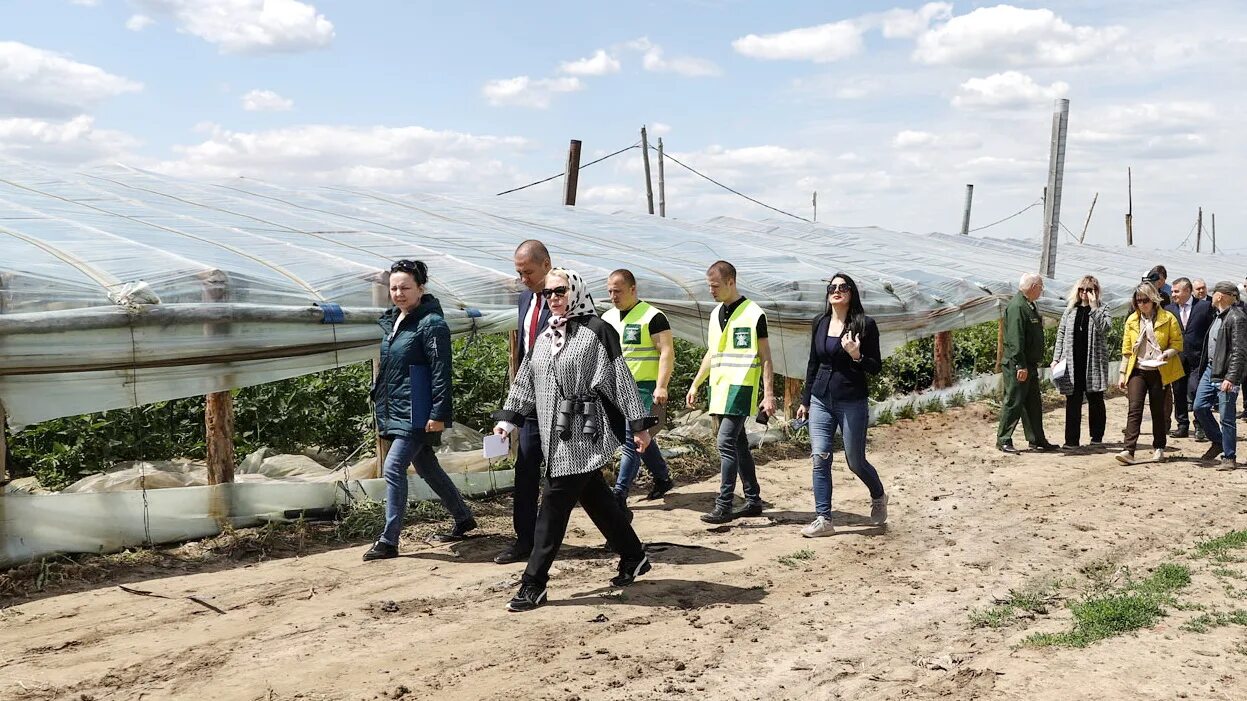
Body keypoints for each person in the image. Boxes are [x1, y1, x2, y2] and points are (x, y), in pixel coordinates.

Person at [492, 268, 654, 611]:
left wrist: (639, 425)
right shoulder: (546, 334)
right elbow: (526, 380)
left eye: (560, 291)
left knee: (552, 504)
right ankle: (634, 555)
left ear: (576, 291)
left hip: (583, 431)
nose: (553, 298)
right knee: (596, 497)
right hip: (554, 432)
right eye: (548, 293)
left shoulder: (598, 330)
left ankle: (533, 583)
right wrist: (508, 420)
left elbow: (619, 378)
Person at [364, 259, 477, 561]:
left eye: (405, 287)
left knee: (393, 467)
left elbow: (441, 371)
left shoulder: (432, 324)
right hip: (398, 406)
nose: (398, 293)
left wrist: (438, 414)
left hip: (418, 410)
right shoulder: (395, 320)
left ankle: (389, 540)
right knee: (426, 465)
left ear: (421, 288)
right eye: (394, 288)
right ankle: (463, 517)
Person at [795, 273, 887, 537]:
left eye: (843, 287)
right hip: (821, 399)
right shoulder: (820, 323)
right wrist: (805, 400)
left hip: (852, 400)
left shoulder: (865, 325)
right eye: (832, 287)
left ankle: (878, 495)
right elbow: (814, 363)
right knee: (820, 457)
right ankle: (824, 518)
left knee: (855, 461)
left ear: (851, 293)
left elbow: (875, 367)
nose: (837, 291)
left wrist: (856, 355)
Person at [686, 261, 777, 524]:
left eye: (715, 286)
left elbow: (766, 357)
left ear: (731, 282)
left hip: (741, 387)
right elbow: (712, 353)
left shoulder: (753, 313)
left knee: (724, 442)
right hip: (720, 388)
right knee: (738, 445)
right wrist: (696, 383)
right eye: (709, 286)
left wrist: (768, 393)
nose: (711, 291)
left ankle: (724, 504)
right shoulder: (716, 314)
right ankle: (753, 500)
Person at [492, 240, 553, 566]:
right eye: (518, 272)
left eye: (527, 272)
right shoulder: (525, 298)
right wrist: (511, 412)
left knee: (572, 475)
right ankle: (525, 540)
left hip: (561, 403)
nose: (523, 278)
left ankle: (615, 526)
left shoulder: (568, 299)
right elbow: (524, 352)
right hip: (530, 401)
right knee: (526, 468)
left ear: (546, 264)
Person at [602, 269, 676, 507]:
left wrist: (661, 386)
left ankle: (620, 493)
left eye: (618, 291)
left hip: (643, 387)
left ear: (633, 289)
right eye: (610, 291)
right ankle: (663, 478)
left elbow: (666, 352)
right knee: (642, 436)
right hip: (616, 388)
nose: (614, 296)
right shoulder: (607, 318)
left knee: (632, 438)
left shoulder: (653, 316)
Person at [1116, 283, 1183, 465]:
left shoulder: (1168, 318)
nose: (1142, 304)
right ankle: (1129, 450)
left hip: (1159, 370)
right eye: (1138, 301)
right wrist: (1123, 374)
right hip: (1137, 369)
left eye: (1145, 300)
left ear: (1154, 300)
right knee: (1134, 408)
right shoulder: (1131, 320)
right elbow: (1127, 350)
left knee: (1158, 410)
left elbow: (1177, 343)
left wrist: (1167, 354)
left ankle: (1159, 446)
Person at [997, 273, 1057, 453]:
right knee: (1014, 401)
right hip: (1019, 365)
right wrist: (1019, 365)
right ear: (1033, 287)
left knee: (1033, 402)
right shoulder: (1018, 307)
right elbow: (1016, 339)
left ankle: (1037, 439)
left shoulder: (1028, 305)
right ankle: (1004, 439)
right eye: (1040, 287)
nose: (1041, 291)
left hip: (1029, 364)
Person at [1050, 275, 1111, 448]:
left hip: (1093, 362)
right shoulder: (1070, 310)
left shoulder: (1102, 308)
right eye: (1082, 289)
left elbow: (1105, 328)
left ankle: (1096, 437)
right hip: (1072, 362)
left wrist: (1093, 307)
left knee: (1096, 399)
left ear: (1096, 291)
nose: (1085, 293)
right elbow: (1061, 335)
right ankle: (1071, 440)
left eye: (1089, 290)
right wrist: (1056, 359)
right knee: (1073, 400)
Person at [1192, 282, 1247, 468]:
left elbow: (1239, 351)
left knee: (1227, 416)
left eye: (1214, 293)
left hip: (1225, 373)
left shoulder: (1237, 318)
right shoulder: (1218, 316)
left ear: (1220, 296)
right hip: (1210, 370)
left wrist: (1231, 378)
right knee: (1199, 407)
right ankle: (1218, 440)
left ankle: (1229, 456)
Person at [1164, 278, 1214, 439]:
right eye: (1172, 291)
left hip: (1198, 358)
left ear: (1187, 291)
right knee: (1178, 391)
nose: (1173, 294)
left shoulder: (1204, 307)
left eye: (1176, 291)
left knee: (1196, 390)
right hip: (1177, 357)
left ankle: (1200, 425)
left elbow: (1211, 331)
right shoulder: (1169, 309)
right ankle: (1182, 425)